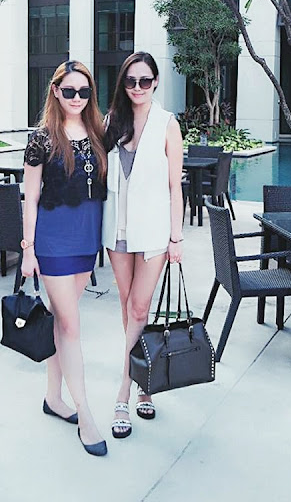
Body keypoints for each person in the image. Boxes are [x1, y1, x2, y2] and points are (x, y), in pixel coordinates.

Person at [21, 60, 109, 457]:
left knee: (61, 323)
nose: (76, 98)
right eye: (69, 90)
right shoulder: (42, 138)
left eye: (84, 91)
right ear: (55, 90)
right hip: (53, 243)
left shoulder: (98, 133)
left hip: (86, 242)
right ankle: (85, 414)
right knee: (71, 326)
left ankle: (53, 398)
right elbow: (31, 197)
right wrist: (28, 249)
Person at [102, 51, 184, 439]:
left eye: (144, 81)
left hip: (152, 232)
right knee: (128, 307)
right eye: (131, 81)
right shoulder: (111, 122)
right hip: (117, 230)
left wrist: (176, 237)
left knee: (138, 307)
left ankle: (126, 388)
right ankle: (144, 381)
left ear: (155, 82)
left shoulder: (168, 124)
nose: (137, 88)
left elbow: (174, 186)